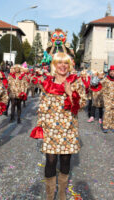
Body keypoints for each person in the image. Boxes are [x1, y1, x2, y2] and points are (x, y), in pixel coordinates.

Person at [30, 52, 87, 200]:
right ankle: (50, 194)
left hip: (68, 128)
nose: (63, 66)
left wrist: (70, 94)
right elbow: (42, 106)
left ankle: (61, 192)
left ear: (69, 65)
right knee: (50, 160)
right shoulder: (47, 82)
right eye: (59, 63)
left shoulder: (76, 82)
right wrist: (39, 128)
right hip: (50, 129)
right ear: (54, 65)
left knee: (66, 160)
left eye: (66, 63)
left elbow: (82, 105)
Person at [101, 65, 114, 133]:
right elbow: (98, 85)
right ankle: (105, 126)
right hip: (108, 100)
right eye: (111, 71)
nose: (112, 73)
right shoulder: (105, 79)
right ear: (109, 72)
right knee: (107, 113)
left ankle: (113, 126)